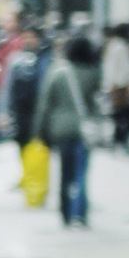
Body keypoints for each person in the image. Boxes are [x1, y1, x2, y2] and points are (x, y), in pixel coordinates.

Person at [35, 36, 104, 227]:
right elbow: (97, 102)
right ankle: (80, 213)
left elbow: (45, 104)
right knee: (82, 172)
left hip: (61, 129)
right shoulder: (93, 73)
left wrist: (40, 131)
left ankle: (65, 213)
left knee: (65, 172)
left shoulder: (56, 72)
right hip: (84, 130)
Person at [103, 24, 129, 152]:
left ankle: (116, 140)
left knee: (118, 115)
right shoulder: (121, 46)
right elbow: (125, 68)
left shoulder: (112, 45)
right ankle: (120, 140)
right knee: (122, 115)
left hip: (114, 85)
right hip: (120, 86)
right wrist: (128, 85)